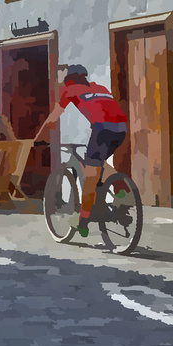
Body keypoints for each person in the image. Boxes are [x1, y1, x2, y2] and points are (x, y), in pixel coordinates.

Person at [37, 65, 131, 236]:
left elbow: (53, 118)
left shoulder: (70, 90)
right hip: (121, 130)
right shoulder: (100, 88)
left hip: (101, 129)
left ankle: (83, 220)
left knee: (90, 175)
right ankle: (121, 190)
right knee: (99, 163)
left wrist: (37, 139)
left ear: (69, 80)